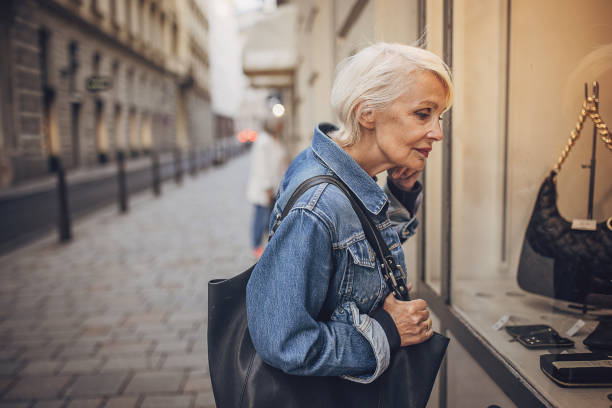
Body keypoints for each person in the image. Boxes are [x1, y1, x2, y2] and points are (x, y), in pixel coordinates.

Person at [246, 43, 453, 384]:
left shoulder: (344, 171)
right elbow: (282, 341)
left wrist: (399, 194)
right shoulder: (318, 205)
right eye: (423, 113)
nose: (438, 132)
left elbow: (354, 250)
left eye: (439, 116)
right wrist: (388, 331)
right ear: (367, 113)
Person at [246, 115, 288, 259]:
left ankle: (270, 245)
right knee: (260, 218)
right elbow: (261, 167)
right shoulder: (263, 142)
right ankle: (256, 246)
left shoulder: (275, 140)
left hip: (275, 189)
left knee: (271, 219)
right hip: (264, 190)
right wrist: (267, 188)